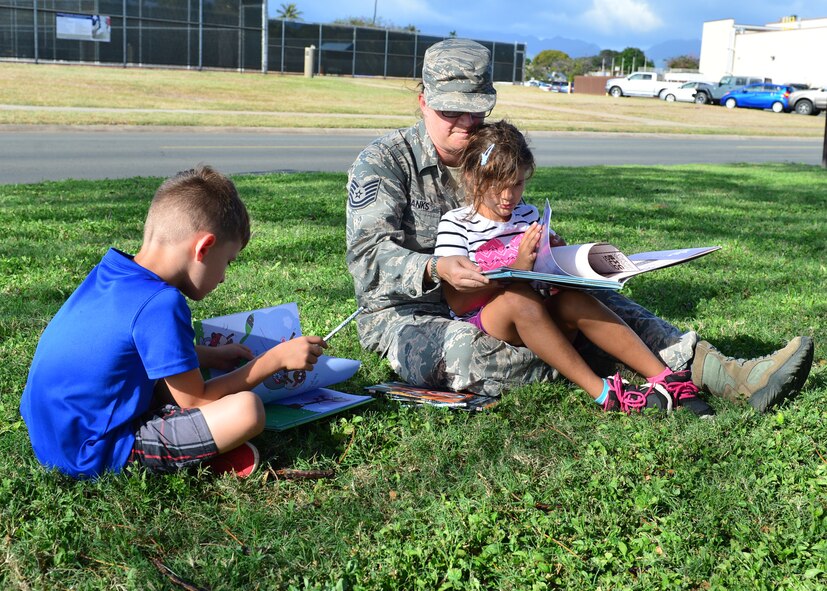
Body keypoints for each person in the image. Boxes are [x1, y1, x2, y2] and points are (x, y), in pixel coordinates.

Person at [345, 38, 813, 410]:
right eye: (452, 111)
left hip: (519, 301)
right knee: (483, 358)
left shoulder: (493, 151)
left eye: (477, 110)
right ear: (423, 100)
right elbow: (367, 258)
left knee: (598, 304)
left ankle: (726, 374)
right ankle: (602, 367)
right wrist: (436, 268)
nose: (466, 124)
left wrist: (554, 255)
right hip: (413, 313)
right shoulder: (384, 163)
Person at [20, 165, 327, 479]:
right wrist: (272, 360)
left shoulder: (112, 271)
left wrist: (207, 355)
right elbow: (195, 400)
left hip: (51, 435)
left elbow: (128, 347)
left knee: (175, 387)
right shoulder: (162, 302)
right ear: (203, 248)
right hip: (93, 451)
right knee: (247, 410)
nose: (223, 278)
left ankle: (203, 449)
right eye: (228, 262)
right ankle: (198, 457)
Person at [434, 120, 711, 416]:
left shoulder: (527, 214)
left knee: (572, 299)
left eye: (517, 184)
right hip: (487, 319)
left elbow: (541, 282)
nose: (508, 196)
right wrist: (517, 268)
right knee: (518, 299)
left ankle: (666, 379)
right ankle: (604, 393)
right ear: (471, 178)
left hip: (539, 316)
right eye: (497, 186)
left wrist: (554, 258)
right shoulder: (456, 224)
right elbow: (458, 300)